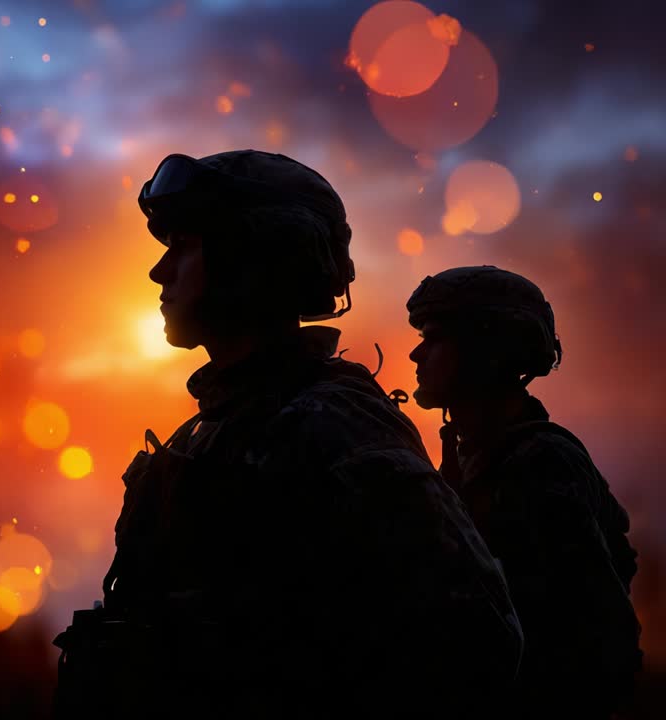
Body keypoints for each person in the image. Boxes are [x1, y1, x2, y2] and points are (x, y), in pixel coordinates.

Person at [53, 150, 522, 718]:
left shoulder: (335, 427)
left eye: (184, 246)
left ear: (251, 257)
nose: (160, 271)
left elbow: (474, 637)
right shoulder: (211, 431)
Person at [407, 266, 642, 718]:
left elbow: (595, 637)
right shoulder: (472, 454)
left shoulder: (541, 463)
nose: (417, 354)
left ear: (484, 352)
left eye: (435, 338)